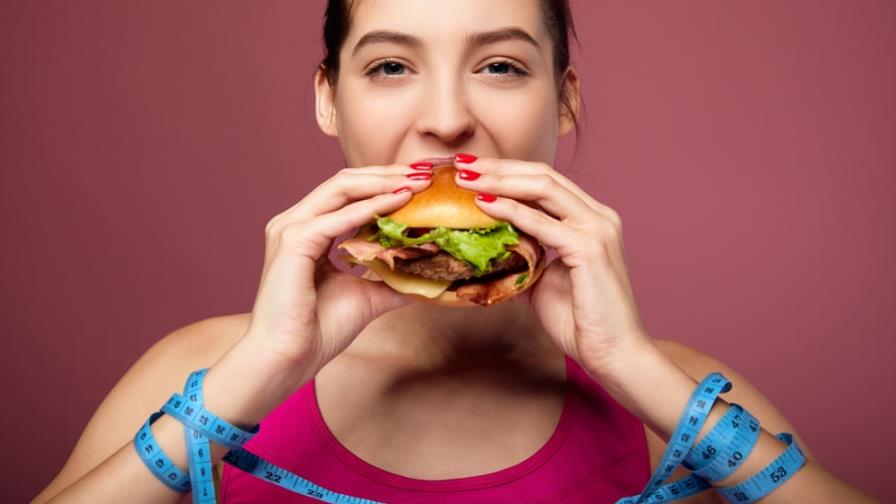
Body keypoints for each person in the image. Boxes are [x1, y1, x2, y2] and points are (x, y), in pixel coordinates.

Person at [34, 1, 876, 502]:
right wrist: (254, 377)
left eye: (501, 66)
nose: (445, 119)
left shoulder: (674, 399)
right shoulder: (203, 372)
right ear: (329, 100)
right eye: (390, 66)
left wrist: (634, 369)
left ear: (564, 102)